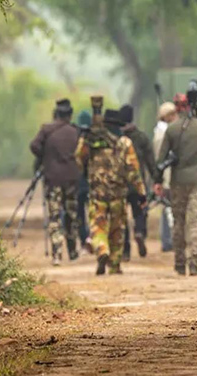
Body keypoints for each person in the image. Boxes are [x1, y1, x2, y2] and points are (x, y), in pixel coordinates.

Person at [75, 101, 146, 276]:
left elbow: (78, 159)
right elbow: (133, 171)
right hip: (118, 195)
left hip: (97, 194)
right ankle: (114, 265)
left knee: (98, 227)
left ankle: (101, 249)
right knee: (117, 230)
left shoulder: (92, 141)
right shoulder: (124, 143)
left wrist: (85, 140)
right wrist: (141, 192)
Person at [155, 90, 197, 276]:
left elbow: (161, 160)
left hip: (177, 182)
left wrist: (157, 182)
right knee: (195, 222)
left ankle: (179, 262)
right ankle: (194, 260)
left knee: (178, 222)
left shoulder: (171, 130)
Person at [29, 98, 80, 266]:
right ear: (70, 115)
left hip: (52, 180)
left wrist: (46, 156)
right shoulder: (75, 131)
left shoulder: (46, 130)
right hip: (72, 180)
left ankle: (57, 254)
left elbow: (34, 146)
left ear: (56, 114)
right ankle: (72, 250)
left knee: (54, 217)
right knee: (72, 215)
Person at [120, 104, 157, 260]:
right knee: (140, 211)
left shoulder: (117, 138)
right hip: (138, 182)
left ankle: (126, 251)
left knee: (121, 217)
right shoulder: (141, 137)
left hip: (120, 184)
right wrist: (157, 180)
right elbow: (150, 162)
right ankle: (140, 232)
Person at [153, 102, 178, 252]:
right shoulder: (165, 133)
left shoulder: (158, 132)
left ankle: (167, 239)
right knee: (170, 208)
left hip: (164, 175)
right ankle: (169, 240)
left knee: (167, 207)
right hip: (169, 175)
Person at [75, 110, 92, 246]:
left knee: (79, 213)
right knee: (94, 212)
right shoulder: (95, 137)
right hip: (93, 183)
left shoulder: (74, 138)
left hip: (78, 183)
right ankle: (93, 238)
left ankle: (84, 239)